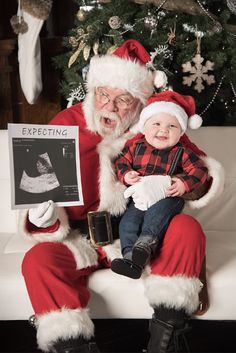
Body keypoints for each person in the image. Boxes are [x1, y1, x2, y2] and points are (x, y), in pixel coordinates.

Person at [19, 39, 224, 353]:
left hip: (144, 236)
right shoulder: (65, 123)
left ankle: (165, 341)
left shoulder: (155, 124)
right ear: (94, 90)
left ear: (139, 102)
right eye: (103, 94)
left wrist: (179, 184)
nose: (109, 107)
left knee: (186, 229)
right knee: (38, 259)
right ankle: (72, 347)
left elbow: (202, 175)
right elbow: (38, 185)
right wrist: (40, 217)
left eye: (123, 99)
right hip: (80, 240)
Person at [111, 91, 209, 279]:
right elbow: (121, 162)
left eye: (171, 126)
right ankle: (131, 258)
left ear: (180, 132)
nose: (163, 130)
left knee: (155, 218)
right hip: (140, 199)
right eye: (156, 124)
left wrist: (183, 183)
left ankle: (145, 245)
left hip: (167, 197)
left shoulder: (182, 152)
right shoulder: (135, 147)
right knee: (127, 224)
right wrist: (126, 175)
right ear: (144, 127)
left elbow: (200, 170)